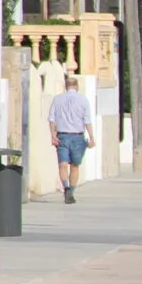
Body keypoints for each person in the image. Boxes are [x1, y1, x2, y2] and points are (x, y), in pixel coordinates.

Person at [47, 72, 93, 203]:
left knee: (62, 164)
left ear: (65, 86)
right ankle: (71, 192)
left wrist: (52, 135)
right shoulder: (83, 100)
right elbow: (87, 120)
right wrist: (91, 137)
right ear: (77, 87)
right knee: (74, 166)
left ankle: (66, 187)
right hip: (77, 136)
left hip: (62, 135)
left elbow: (51, 119)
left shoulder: (57, 99)